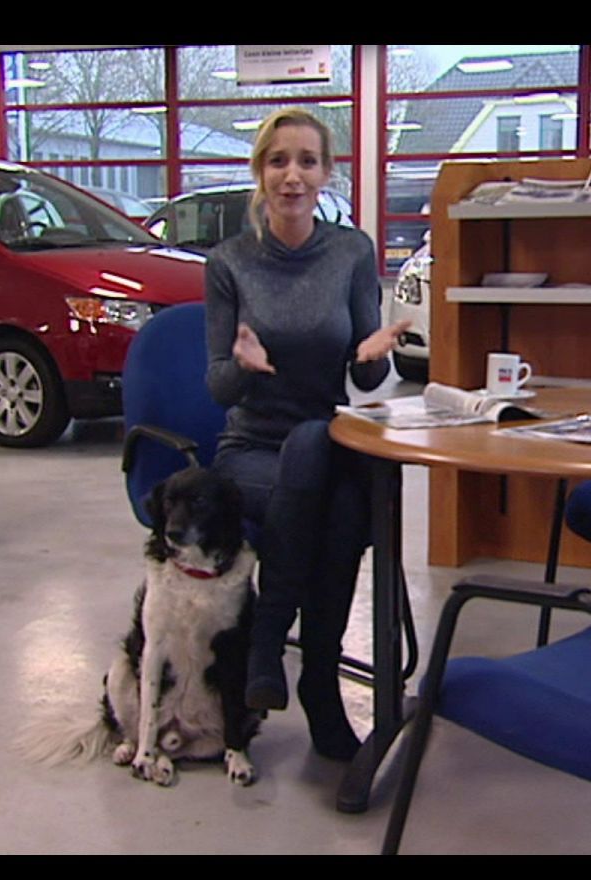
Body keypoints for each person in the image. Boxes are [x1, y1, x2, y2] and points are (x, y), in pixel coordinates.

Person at [204, 107, 409, 761]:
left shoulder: (351, 252)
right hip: (252, 450)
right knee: (332, 491)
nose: (292, 175)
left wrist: (372, 356)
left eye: (307, 161)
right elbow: (218, 389)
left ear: (325, 175)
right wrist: (241, 365)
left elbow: (365, 374)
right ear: (260, 173)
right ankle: (313, 684)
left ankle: (280, 652)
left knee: (328, 463)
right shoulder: (229, 262)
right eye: (278, 161)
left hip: (324, 439)